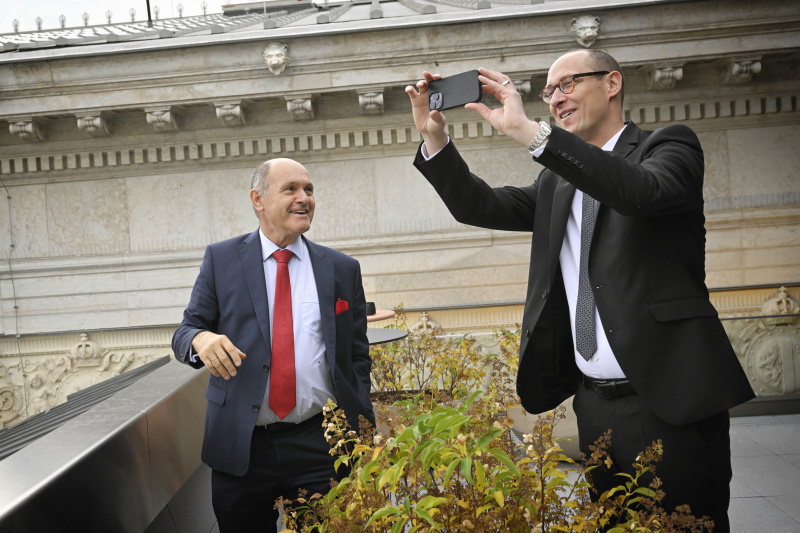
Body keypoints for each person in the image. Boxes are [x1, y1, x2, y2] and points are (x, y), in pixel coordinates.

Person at [406, 50, 754, 531]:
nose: (555, 99)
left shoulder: (669, 146)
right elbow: (478, 204)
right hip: (593, 407)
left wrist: (530, 132)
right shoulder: (556, 182)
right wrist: (436, 139)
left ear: (612, 83)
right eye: (548, 93)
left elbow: (638, 192)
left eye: (566, 84)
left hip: (671, 402)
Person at [172, 158, 374, 533]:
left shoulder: (342, 269)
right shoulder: (222, 260)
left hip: (323, 443)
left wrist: (358, 422)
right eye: (291, 189)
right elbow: (186, 331)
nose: (304, 198)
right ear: (258, 199)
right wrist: (202, 339)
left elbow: (357, 355)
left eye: (309, 190)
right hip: (243, 446)